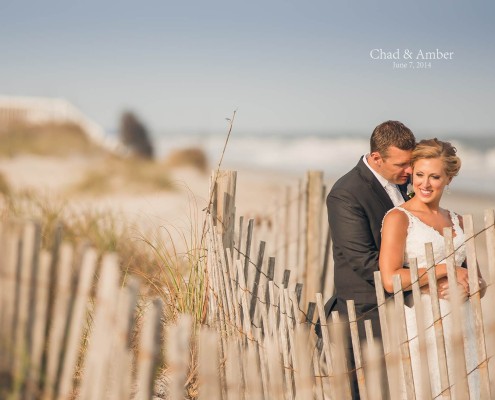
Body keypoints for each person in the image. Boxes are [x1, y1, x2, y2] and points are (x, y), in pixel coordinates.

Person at [380, 138, 486, 399]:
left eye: (435, 176)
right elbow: (390, 279)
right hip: (422, 324)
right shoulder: (399, 218)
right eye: (419, 175)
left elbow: (479, 283)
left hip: (462, 326)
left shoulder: (458, 221)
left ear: (448, 179)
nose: (425, 184)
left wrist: (473, 285)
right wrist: (443, 270)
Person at [317, 120, 416, 398]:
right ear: (376, 158)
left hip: (407, 309)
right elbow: (364, 260)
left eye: (411, 163)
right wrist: (424, 279)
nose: (409, 171)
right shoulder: (346, 193)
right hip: (366, 315)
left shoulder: (408, 180)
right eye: (401, 165)